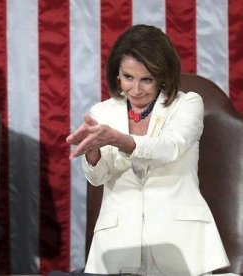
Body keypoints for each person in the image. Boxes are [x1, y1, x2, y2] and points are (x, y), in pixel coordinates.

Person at [66, 24, 229, 275]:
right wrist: (93, 152)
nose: (136, 89)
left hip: (181, 240)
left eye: (147, 79)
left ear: (162, 77)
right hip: (118, 241)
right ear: (117, 75)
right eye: (128, 77)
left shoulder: (187, 104)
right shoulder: (102, 112)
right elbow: (98, 178)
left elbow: (169, 148)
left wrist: (120, 139)